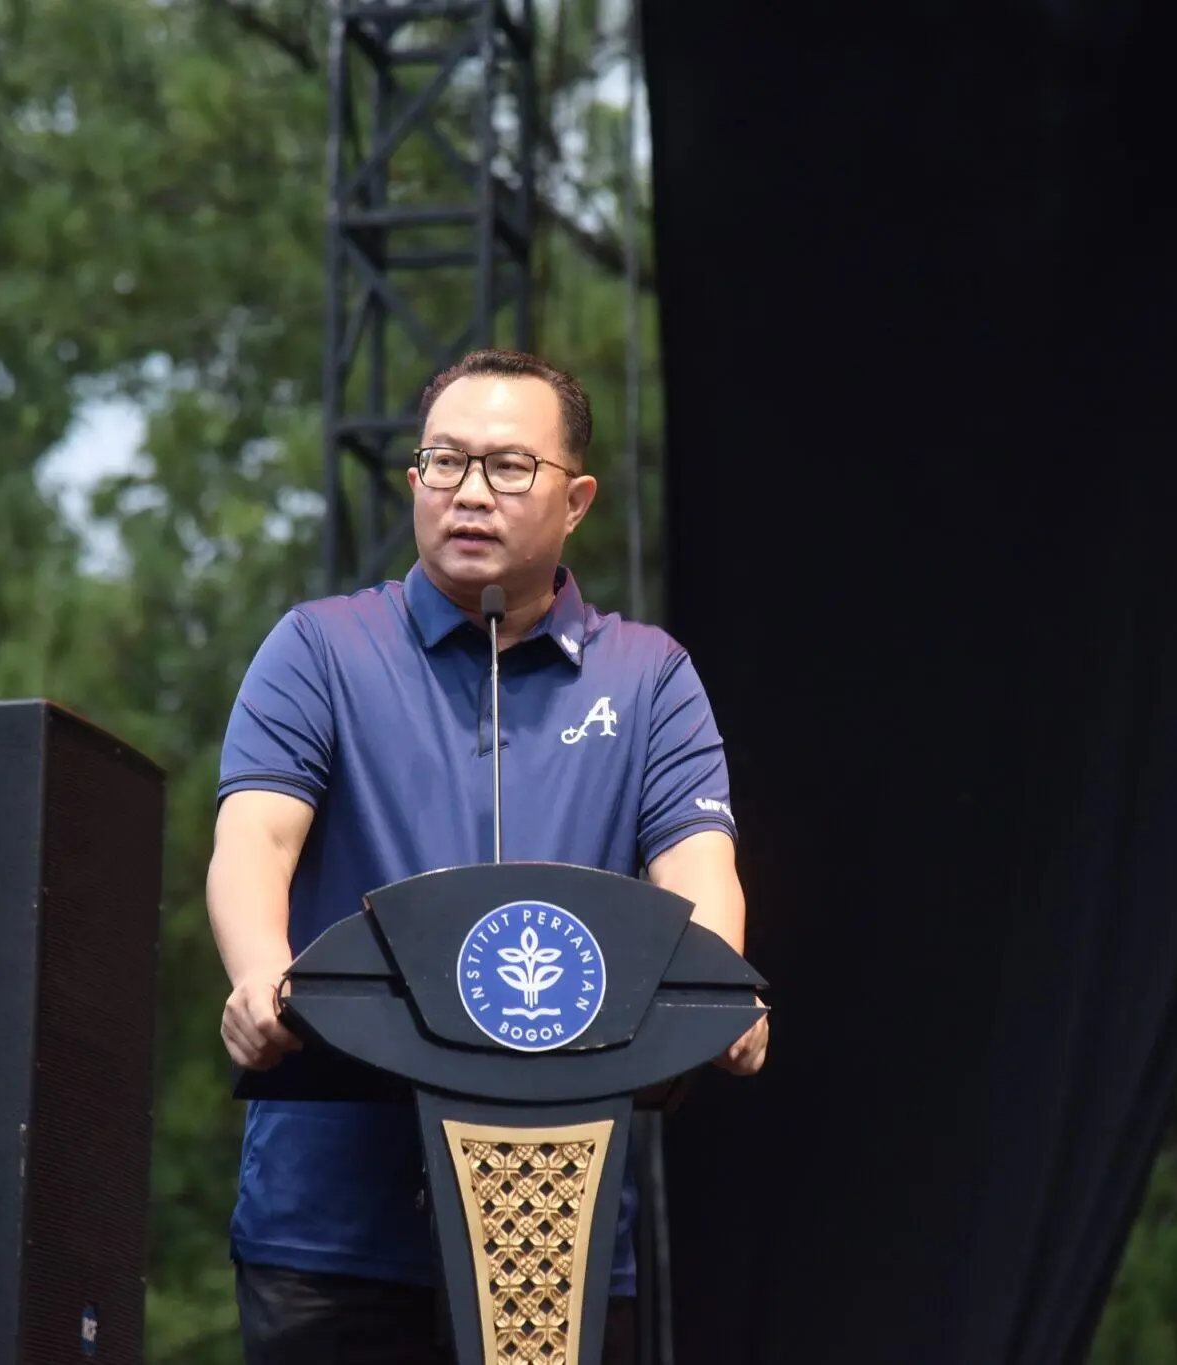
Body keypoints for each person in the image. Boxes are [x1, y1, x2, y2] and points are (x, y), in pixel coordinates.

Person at [207, 348, 768, 1365]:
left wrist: (716, 987)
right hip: (333, 1233)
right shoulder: (321, 648)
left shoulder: (649, 677)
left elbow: (697, 866)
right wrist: (256, 976)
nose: (470, 492)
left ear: (577, 500)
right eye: (444, 461)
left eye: (509, 466)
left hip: (558, 1233)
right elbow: (254, 838)